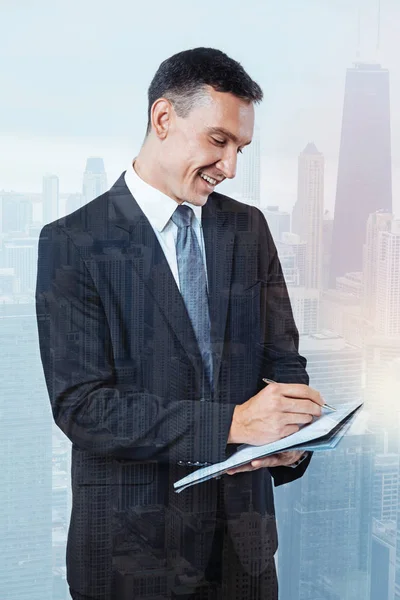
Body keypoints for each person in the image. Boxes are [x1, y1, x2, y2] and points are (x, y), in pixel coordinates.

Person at [35, 47, 324, 600]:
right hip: (131, 558)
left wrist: (295, 440)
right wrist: (232, 425)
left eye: (240, 148)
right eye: (218, 141)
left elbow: (284, 367)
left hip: (245, 553)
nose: (231, 166)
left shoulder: (248, 229)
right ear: (163, 118)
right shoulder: (73, 242)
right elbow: (82, 406)